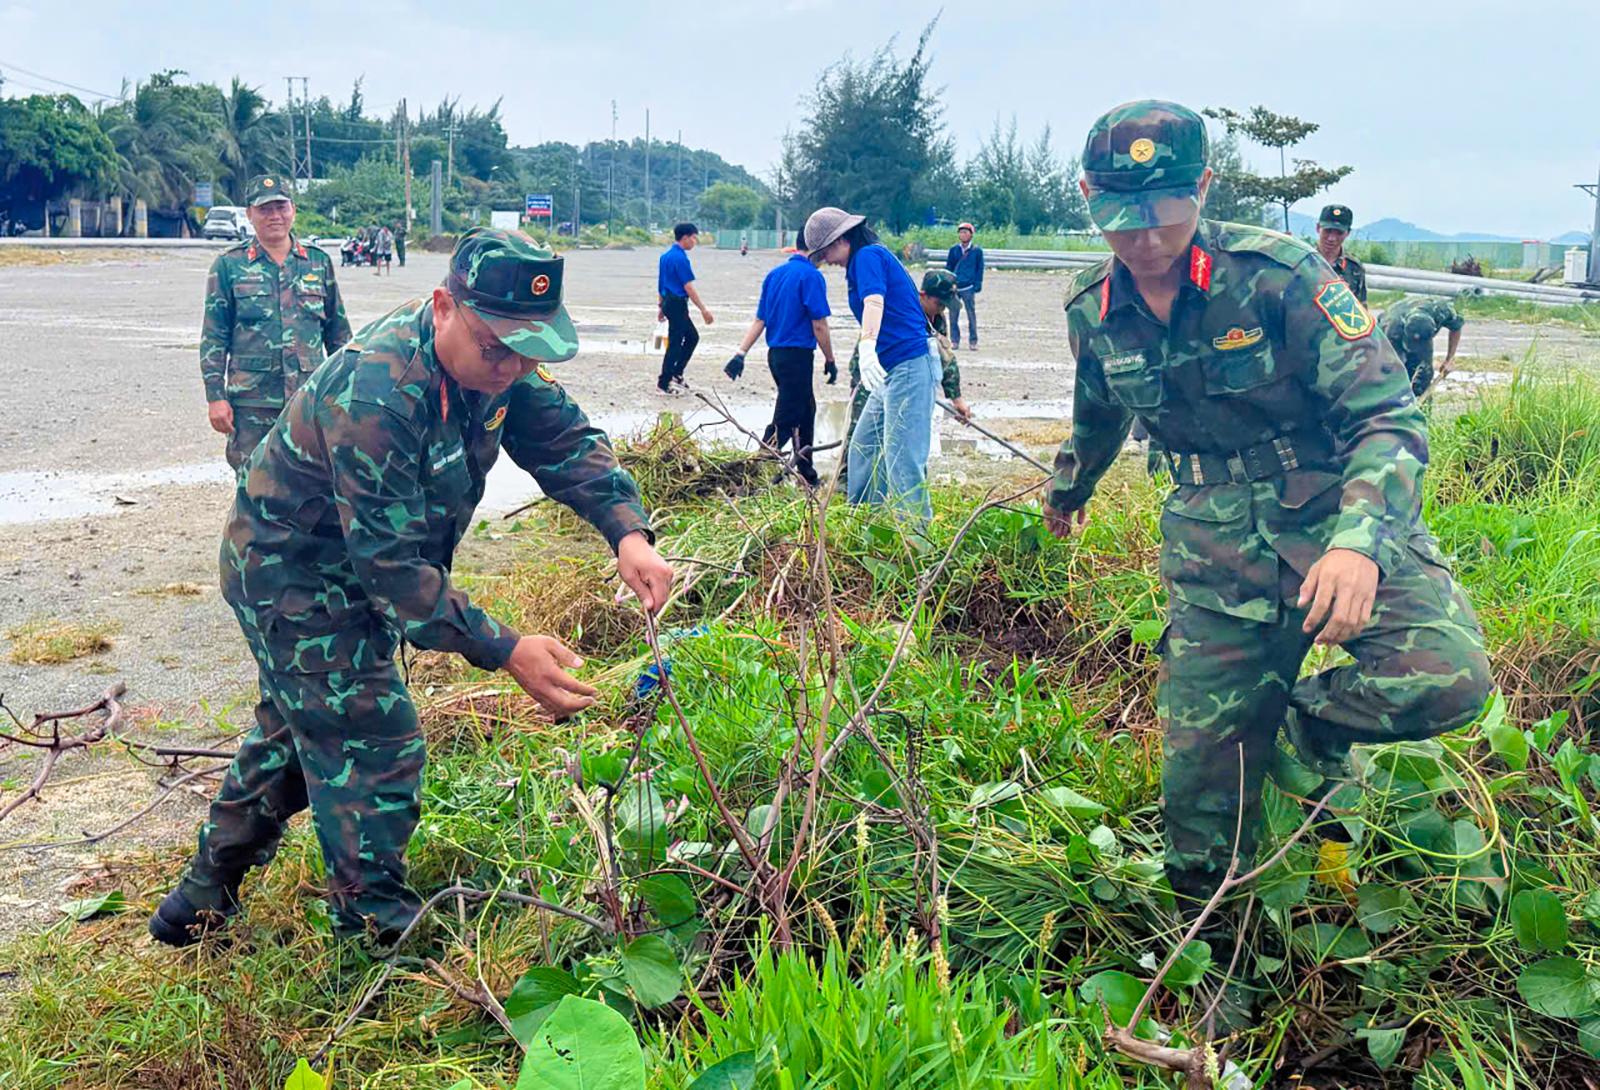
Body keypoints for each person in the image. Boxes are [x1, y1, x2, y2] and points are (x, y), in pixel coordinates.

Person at [1043, 101, 1492, 995]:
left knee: (1448, 676)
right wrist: (1067, 492)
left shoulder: (1281, 278)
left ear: (1204, 188)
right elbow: (1099, 411)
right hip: (1215, 560)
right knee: (1200, 823)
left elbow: (1388, 419)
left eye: (1164, 211)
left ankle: (1296, 734)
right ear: (1090, 196)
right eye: (1117, 216)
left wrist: (1361, 547)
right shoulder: (1093, 309)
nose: (1143, 238)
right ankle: (1224, 983)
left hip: (1334, 521)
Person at [152, 228, 675, 949]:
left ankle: (199, 900)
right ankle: (374, 933)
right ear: (443, 308)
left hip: (357, 568)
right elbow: (393, 574)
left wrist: (627, 533)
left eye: (529, 350)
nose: (512, 367)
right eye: (496, 347)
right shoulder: (379, 392)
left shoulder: (503, 366)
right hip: (291, 572)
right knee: (371, 737)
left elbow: (565, 442)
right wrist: (507, 649)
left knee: (299, 730)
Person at [200, 174, 352, 471]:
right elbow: (213, 339)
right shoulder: (229, 265)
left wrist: (344, 392)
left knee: (313, 484)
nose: (275, 216)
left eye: (281, 207)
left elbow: (339, 337)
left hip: (309, 398)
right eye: (264, 209)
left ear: (293, 210)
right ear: (249, 214)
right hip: (253, 403)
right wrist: (215, 398)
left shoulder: (317, 262)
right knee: (254, 487)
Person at [807, 206, 942, 523]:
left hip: (909, 365)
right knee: (863, 446)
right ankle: (867, 525)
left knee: (902, 459)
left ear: (843, 238)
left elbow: (874, 301)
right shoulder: (858, 264)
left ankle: (916, 541)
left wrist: (867, 343)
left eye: (826, 250)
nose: (826, 259)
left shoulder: (867, 256)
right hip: (890, 372)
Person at [840, 269, 972, 489]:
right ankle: (846, 484)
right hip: (873, 376)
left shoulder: (936, 319)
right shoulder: (899, 311)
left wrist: (956, 398)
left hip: (905, 379)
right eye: (940, 303)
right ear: (923, 295)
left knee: (906, 433)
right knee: (863, 436)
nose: (942, 310)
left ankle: (902, 487)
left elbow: (945, 355)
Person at [724, 235, 837, 487]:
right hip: (797, 356)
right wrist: (830, 359)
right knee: (786, 417)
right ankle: (754, 472)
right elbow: (819, 325)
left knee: (806, 410)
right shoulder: (811, 277)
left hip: (776, 356)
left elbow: (760, 320)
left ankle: (806, 474)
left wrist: (740, 353)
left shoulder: (775, 274)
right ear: (818, 246)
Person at [656, 222, 714, 393]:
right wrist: (704, 310)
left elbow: (661, 284)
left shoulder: (665, 256)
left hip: (669, 301)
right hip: (676, 303)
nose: (695, 242)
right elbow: (688, 286)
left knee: (692, 337)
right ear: (685, 237)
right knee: (675, 342)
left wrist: (660, 306)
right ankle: (664, 382)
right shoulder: (680, 258)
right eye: (694, 238)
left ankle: (677, 373)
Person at [1381, 296, 1464, 396]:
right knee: (1394, 373)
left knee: (1423, 372)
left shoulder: (1443, 310)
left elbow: (1456, 328)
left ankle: (1422, 406)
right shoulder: (1390, 328)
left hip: (1422, 321)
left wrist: (1449, 360)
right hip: (1395, 330)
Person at [944, 222, 984, 350]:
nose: (963, 234)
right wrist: (949, 284)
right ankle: (955, 341)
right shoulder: (954, 250)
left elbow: (980, 269)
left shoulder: (977, 251)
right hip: (955, 287)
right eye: (961, 232)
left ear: (971, 234)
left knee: (971, 314)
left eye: (966, 232)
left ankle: (973, 341)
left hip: (968, 287)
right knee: (953, 315)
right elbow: (949, 268)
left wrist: (977, 284)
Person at [1316, 204, 1366, 303]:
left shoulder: (1354, 268)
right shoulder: (1304, 261)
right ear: (1318, 228)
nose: (1331, 238)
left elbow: (1360, 309)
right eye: (1327, 231)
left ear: (1348, 233)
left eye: (1339, 233)